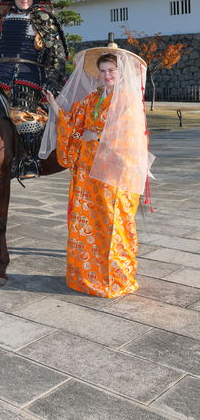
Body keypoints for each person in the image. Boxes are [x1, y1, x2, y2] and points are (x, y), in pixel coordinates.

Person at [42, 43, 154, 298]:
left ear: (121, 72)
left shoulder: (126, 100)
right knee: (87, 223)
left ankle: (114, 277)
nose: (107, 76)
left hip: (113, 172)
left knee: (112, 222)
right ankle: (85, 275)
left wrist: (97, 135)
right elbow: (72, 123)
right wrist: (55, 106)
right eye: (103, 71)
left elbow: (129, 136)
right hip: (87, 172)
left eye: (111, 71)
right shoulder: (94, 97)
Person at [0, 0, 67, 178]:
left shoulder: (43, 17)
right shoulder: (3, 16)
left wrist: (51, 80)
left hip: (29, 74)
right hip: (0, 73)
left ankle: (30, 160)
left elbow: (56, 53)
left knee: (23, 113)